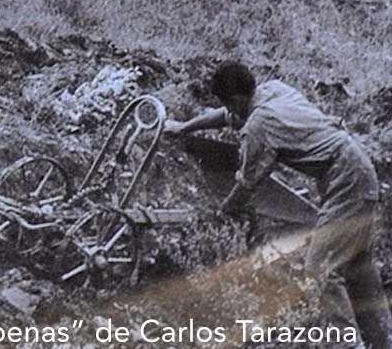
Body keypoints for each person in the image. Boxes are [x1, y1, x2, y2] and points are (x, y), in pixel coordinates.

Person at [165, 61, 391, 348]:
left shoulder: (260, 125)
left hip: (346, 180)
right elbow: (227, 116)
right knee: (358, 263)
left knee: (319, 267)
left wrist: (223, 212)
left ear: (236, 99)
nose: (232, 112)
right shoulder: (273, 90)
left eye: (231, 105)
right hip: (358, 167)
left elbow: (248, 184)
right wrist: (185, 127)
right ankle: (383, 341)